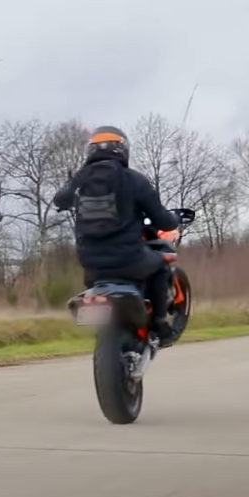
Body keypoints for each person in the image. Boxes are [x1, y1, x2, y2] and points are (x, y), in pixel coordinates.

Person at [52, 125, 181, 347]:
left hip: (91, 263)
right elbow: (163, 220)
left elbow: (60, 200)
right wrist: (174, 219)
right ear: (122, 149)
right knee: (161, 265)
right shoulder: (134, 179)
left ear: (91, 150)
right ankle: (160, 323)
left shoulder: (80, 180)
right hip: (129, 259)